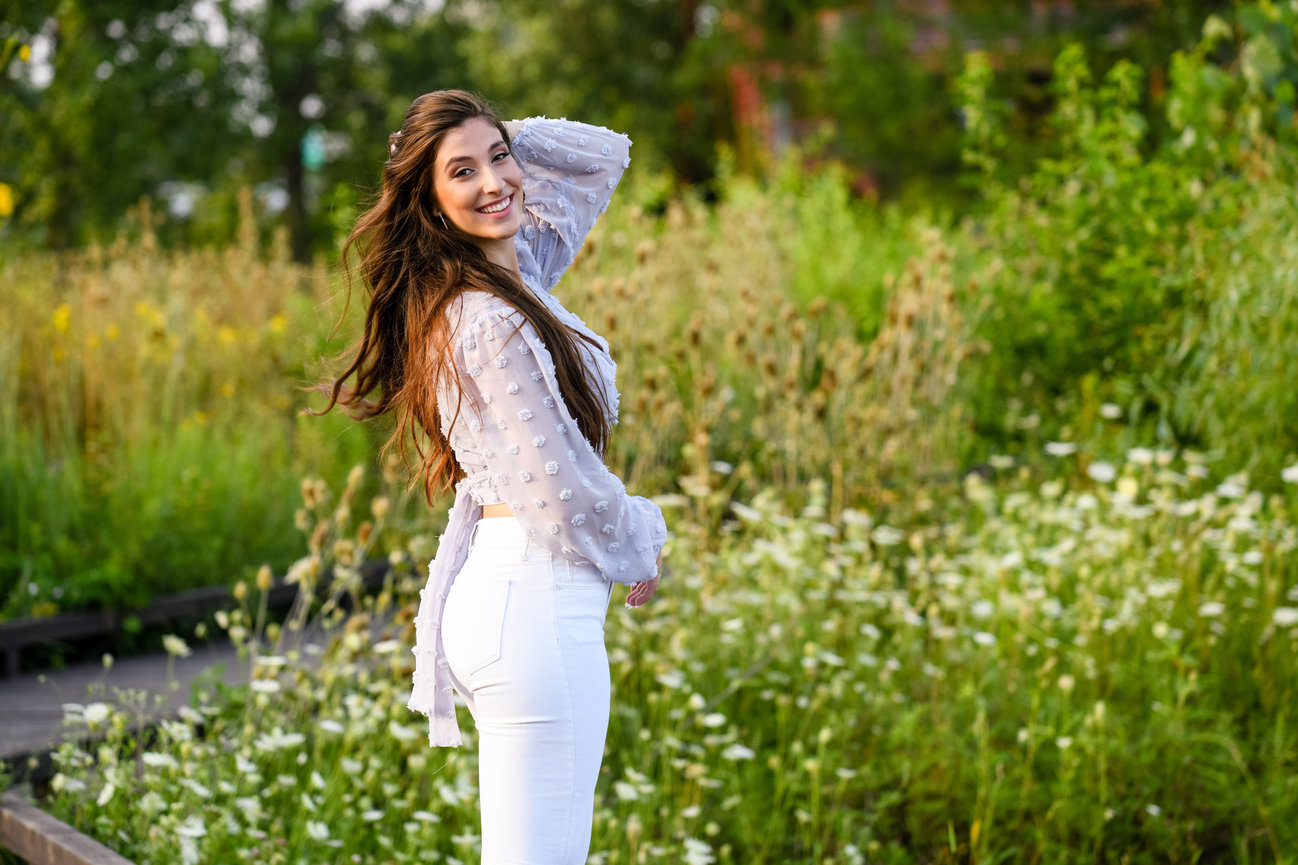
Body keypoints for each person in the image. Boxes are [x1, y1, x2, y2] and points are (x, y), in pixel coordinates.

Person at [316, 90, 667, 863]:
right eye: (461, 173)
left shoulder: (511, 282)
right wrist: (643, 534)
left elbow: (603, 154)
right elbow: (561, 490)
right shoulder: (490, 318)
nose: (495, 183)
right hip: (537, 603)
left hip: (508, 601)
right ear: (430, 203)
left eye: (500, 158)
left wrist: (496, 142)